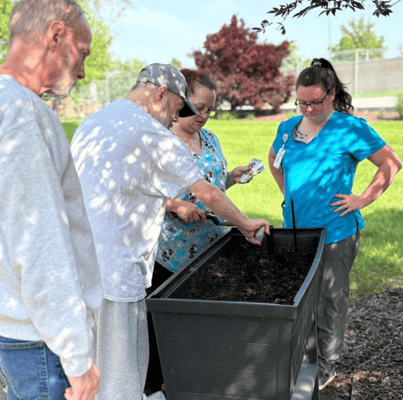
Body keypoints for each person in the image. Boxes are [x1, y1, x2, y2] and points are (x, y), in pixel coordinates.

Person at [71, 63, 270, 400]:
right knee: (122, 369)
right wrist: (247, 224)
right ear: (162, 94)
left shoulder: (95, 121)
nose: (173, 119)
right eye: (178, 108)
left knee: (94, 363)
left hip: (82, 263)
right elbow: (206, 193)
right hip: (119, 269)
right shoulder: (152, 134)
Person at [268, 58, 401, 391]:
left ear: (331, 95)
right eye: (302, 102)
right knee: (300, 299)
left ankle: (325, 364)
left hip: (336, 233)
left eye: (316, 101)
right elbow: (274, 161)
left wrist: (363, 199)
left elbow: (391, 162)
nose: (309, 108)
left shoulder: (349, 128)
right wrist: (290, 195)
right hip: (296, 232)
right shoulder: (287, 128)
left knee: (330, 299)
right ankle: (303, 354)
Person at [0, 1, 103, 400]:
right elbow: (38, 242)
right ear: (55, 35)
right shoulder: (22, 112)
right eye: (82, 53)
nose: (81, 70)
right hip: (40, 340)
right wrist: (77, 359)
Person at [143, 69, 255, 399]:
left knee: (203, 323)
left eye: (210, 109)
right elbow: (141, 191)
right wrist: (176, 205)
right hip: (170, 255)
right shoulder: (160, 141)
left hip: (211, 248)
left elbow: (212, 186)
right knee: (164, 327)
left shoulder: (211, 139)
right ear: (179, 102)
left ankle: (200, 379)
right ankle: (157, 388)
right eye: (198, 107)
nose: (204, 116)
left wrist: (232, 176)